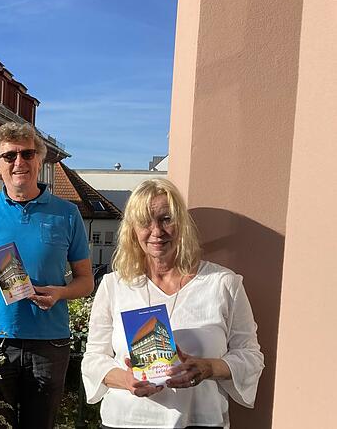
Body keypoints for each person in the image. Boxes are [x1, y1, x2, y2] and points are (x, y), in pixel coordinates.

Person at [81, 178, 265, 429]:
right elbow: (93, 358)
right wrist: (126, 380)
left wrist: (209, 368)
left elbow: (251, 357)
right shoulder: (114, 285)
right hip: (126, 420)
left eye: (166, 219)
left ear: (182, 224)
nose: (156, 231)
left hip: (199, 420)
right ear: (133, 229)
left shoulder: (223, 284)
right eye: (145, 222)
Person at [0, 122, 93, 429]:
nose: (19, 162)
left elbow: (86, 281)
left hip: (49, 341)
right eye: (10, 156)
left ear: (40, 160)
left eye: (27, 154)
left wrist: (60, 292)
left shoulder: (66, 213)